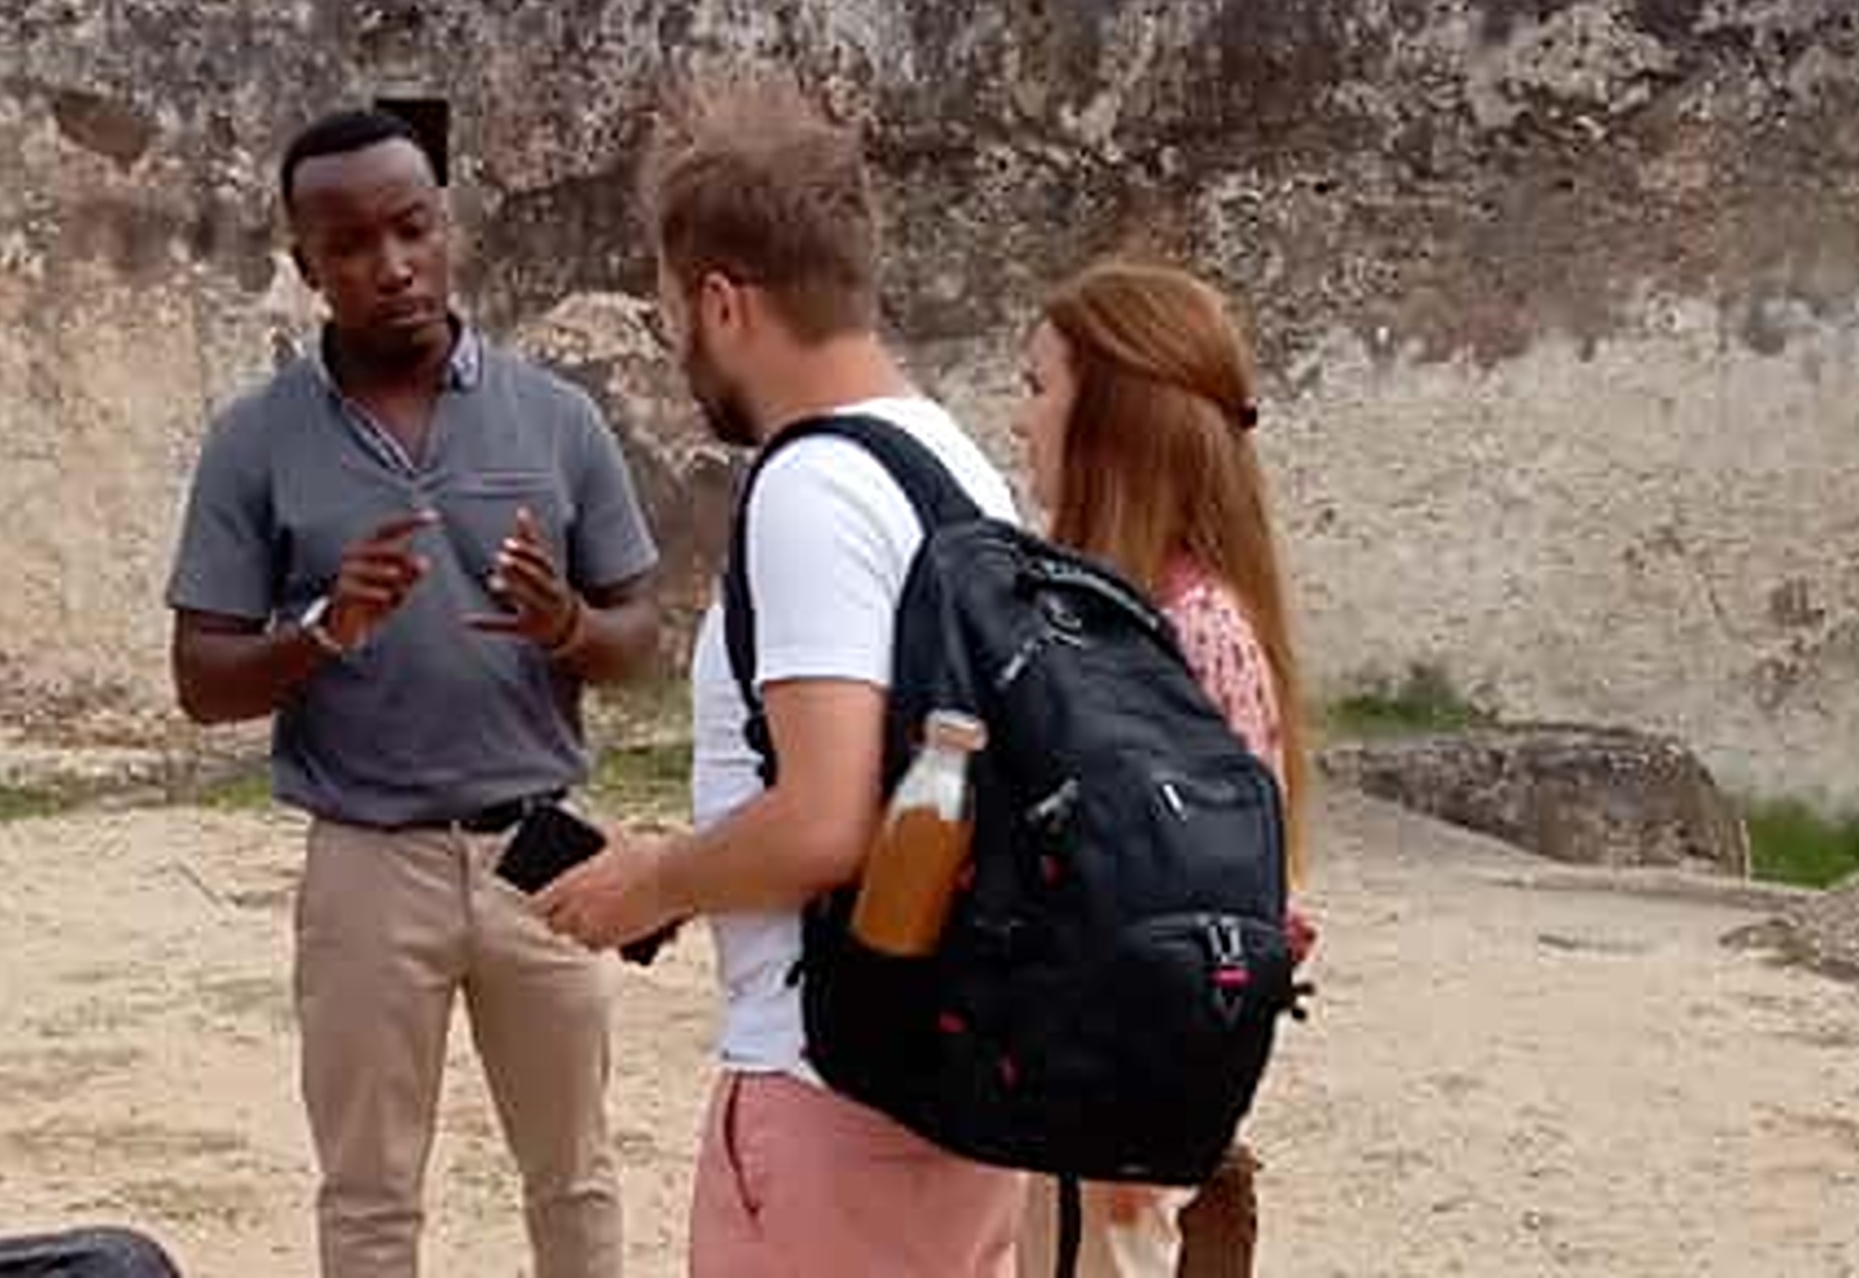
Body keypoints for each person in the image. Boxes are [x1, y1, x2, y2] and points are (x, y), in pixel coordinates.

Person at [533, 86, 1027, 1276]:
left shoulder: (812, 488)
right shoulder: (956, 468)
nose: (678, 350)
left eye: (671, 316)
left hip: (829, 1089)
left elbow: (822, 820)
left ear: (722, 302)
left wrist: (656, 880)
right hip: (950, 1075)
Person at [164, 107, 662, 1278]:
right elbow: (200, 680)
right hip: (365, 862)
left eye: (412, 227)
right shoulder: (256, 442)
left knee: (574, 1177)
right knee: (370, 1195)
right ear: (306, 268)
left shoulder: (556, 419)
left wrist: (566, 625)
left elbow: (638, 636)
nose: (390, 265)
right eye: (349, 245)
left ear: (448, 228)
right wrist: (321, 634)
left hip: (539, 855)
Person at [1007, 259, 1312, 1278]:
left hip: (1109, 1122)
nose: (1020, 420)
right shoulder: (1103, 617)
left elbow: (1213, 906)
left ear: (1113, 422)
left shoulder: (1193, 633)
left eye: (1038, 387)